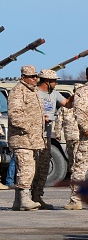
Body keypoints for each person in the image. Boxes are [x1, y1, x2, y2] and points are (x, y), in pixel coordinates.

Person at [33, 69, 73, 209]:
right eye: (55, 81)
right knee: (31, 168)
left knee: (44, 167)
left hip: (46, 135)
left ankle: (37, 197)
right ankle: (26, 198)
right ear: (47, 81)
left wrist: (75, 96)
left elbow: (67, 104)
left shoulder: (54, 94)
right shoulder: (34, 93)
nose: (56, 83)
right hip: (33, 136)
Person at [7, 65, 45, 211]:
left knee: (25, 169)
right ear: (23, 77)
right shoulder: (18, 91)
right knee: (26, 169)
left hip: (33, 140)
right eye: (32, 76)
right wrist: (29, 127)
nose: (35, 79)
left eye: (36, 76)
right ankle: (25, 199)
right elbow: (15, 115)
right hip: (22, 139)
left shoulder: (32, 91)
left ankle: (18, 202)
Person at [65, 72, 88, 210]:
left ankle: (76, 200)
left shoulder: (82, 92)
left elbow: (79, 112)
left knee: (80, 167)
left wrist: (85, 129)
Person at [54, 86, 80, 171]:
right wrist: (57, 134)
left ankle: (75, 174)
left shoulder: (81, 106)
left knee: (76, 157)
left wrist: (58, 134)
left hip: (77, 137)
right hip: (71, 137)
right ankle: (74, 174)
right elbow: (58, 121)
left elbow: (58, 121)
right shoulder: (65, 107)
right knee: (73, 157)